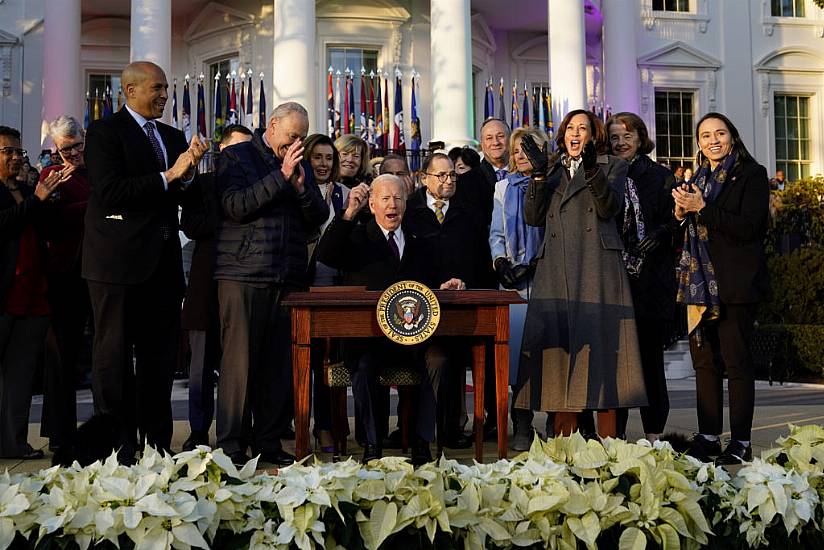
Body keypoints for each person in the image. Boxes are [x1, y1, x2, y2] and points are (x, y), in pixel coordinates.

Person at [82, 61, 210, 463]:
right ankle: (117, 445)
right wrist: (170, 174)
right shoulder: (104, 133)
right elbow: (110, 191)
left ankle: (157, 445)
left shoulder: (172, 136)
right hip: (116, 266)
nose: (164, 96)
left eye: (166, 89)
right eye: (156, 88)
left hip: (163, 266)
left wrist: (188, 175)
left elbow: (183, 197)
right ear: (129, 90)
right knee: (114, 357)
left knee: (159, 360)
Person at [317, 174, 466, 465]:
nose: (392, 204)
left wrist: (447, 285)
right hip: (369, 338)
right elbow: (326, 254)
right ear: (371, 204)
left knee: (438, 360)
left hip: (414, 339)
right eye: (384, 198)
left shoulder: (420, 241)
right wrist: (348, 213)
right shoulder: (357, 237)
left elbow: (434, 282)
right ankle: (373, 445)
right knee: (363, 367)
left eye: (398, 198)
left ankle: (422, 443)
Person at [517, 109, 647, 438]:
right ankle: (564, 441)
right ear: (563, 135)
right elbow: (532, 217)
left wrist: (591, 169)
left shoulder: (612, 166)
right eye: (571, 128)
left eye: (584, 128)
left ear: (594, 135)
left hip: (597, 268)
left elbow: (608, 208)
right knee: (560, 356)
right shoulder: (551, 170)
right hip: (557, 267)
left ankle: (610, 442)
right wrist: (537, 175)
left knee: (604, 353)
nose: (576, 133)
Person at [214, 102, 328, 466]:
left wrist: (300, 189)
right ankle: (231, 443)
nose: (297, 143)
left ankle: (268, 441)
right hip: (243, 274)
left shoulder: (302, 165)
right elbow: (235, 206)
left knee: (278, 367)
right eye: (293, 135)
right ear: (273, 125)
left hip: (288, 277)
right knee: (239, 365)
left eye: (303, 137)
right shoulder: (237, 157)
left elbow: (319, 217)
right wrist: (280, 176)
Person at [672, 112, 770, 465]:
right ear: (698, 143)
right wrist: (682, 214)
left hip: (735, 285)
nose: (713, 140)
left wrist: (703, 208)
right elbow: (685, 234)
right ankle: (709, 435)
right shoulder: (697, 179)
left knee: (737, 363)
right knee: (705, 363)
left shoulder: (751, 174)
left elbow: (750, 228)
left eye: (720, 133)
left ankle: (740, 441)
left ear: (732, 136)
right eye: (705, 135)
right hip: (699, 288)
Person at [405, 152, 496, 449]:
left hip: (460, 304)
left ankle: (452, 430)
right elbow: (405, 263)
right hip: (418, 307)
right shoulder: (410, 212)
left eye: (452, 176)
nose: (448, 181)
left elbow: (480, 260)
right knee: (435, 359)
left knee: (455, 357)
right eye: (441, 176)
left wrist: (465, 282)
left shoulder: (469, 213)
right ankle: (418, 431)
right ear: (424, 178)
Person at [179, 124, 253, 451]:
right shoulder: (203, 184)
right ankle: (198, 431)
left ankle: (237, 431)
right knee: (200, 369)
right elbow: (190, 225)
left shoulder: (259, 189)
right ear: (221, 152)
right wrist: (229, 218)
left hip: (244, 287)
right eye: (236, 150)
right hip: (205, 287)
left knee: (240, 366)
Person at [606, 112, 678, 442]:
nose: (621, 142)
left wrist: (661, 233)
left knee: (650, 364)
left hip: (651, 282)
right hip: (615, 282)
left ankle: (653, 437)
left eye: (626, 136)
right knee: (618, 365)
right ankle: (615, 438)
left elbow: (678, 223)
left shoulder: (661, 177)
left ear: (640, 137)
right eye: (615, 137)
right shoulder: (606, 174)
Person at [0, 126, 64, 458]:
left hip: (34, 296)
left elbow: (46, 230)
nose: (14, 157)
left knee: (21, 375)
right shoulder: (22, 196)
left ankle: (14, 441)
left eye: (18, 152)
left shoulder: (27, 191)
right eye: (7, 152)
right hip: (4, 294)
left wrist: (50, 199)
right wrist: (36, 201)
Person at [489, 127, 547, 451]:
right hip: (513, 283)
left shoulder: (551, 183)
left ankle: (555, 421)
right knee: (518, 356)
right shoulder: (502, 187)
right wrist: (500, 261)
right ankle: (521, 422)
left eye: (527, 148)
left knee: (549, 353)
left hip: (546, 278)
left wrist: (539, 262)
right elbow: (496, 231)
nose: (520, 155)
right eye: (515, 150)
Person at [38, 115, 92, 452]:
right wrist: (96, 204)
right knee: (61, 359)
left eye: (76, 146)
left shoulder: (99, 169)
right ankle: (60, 434)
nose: (71, 153)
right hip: (65, 276)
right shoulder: (50, 176)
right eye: (65, 148)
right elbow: (52, 220)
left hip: (100, 272)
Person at [302, 132, 349, 453]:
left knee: (332, 363)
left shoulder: (343, 193)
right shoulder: (296, 188)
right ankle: (302, 426)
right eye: (317, 157)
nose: (323, 163)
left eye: (328, 158)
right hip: (304, 283)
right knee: (308, 360)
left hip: (336, 284)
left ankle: (328, 426)